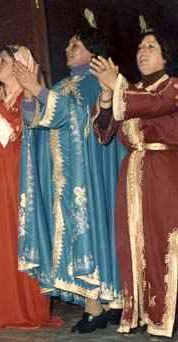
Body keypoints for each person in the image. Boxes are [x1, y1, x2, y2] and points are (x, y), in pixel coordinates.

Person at [13, 22, 126, 333]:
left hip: (88, 178)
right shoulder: (63, 84)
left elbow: (75, 116)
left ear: (93, 53)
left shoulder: (95, 83)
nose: (66, 50)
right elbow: (35, 122)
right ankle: (102, 303)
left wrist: (37, 88)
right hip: (63, 176)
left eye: (75, 46)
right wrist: (29, 91)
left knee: (91, 232)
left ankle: (99, 305)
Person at [91, 28, 178, 338]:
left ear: (165, 55)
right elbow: (104, 133)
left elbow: (154, 104)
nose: (142, 51)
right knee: (133, 244)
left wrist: (117, 86)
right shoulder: (131, 90)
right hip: (132, 175)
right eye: (140, 46)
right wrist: (105, 93)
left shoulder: (173, 86)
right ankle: (141, 311)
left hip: (164, 171)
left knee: (162, 243)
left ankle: (167, 313)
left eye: (151, 46)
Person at [0, 44, 62, 329]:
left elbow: (12, 134)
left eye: (3, 59)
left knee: (19, 239)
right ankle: (4, 308)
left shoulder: (27, 96)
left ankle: (27, 308)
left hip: (18, 181)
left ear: (19, 65)